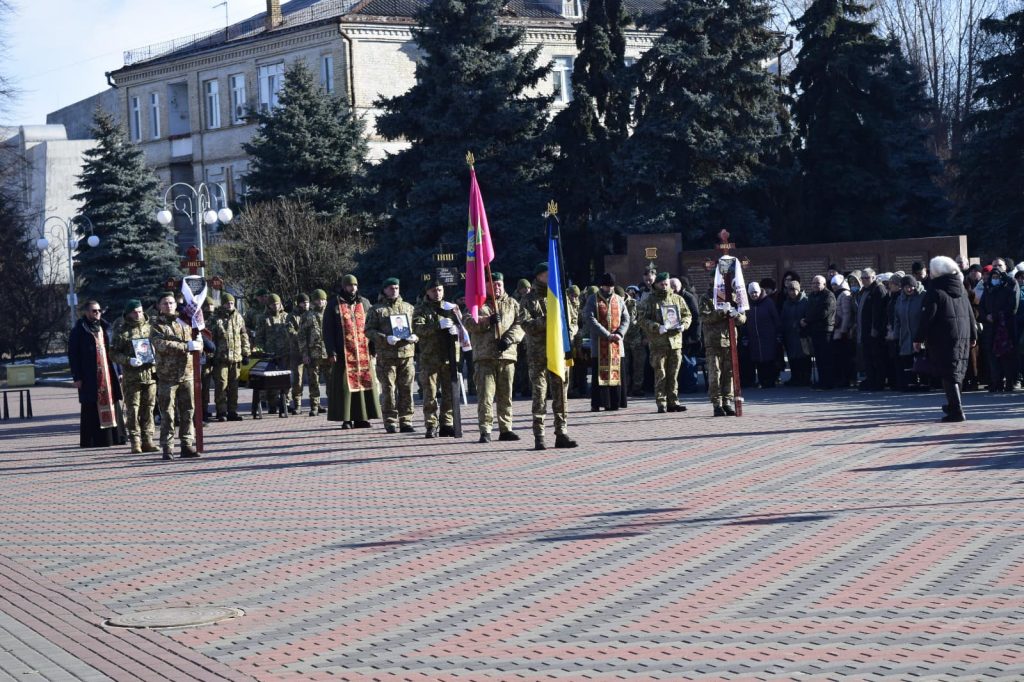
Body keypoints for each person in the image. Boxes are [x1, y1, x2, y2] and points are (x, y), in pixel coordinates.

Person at [521, 262, 578, 450]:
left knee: (561, 393)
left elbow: (573, 321)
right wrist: (548, 321)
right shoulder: (528, 299)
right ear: (538, 276)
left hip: (559, 353)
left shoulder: (560, 296)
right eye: (547, 275)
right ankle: (539, 435)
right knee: (539, 394)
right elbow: (526, 325)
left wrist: (569, 332)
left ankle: (561, 432)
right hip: (538, 355)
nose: (550, 278)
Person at [913, 256, 977, 422]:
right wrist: (973, 335)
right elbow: (970, 313)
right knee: (957, 371)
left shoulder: (935, 291)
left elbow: (927, 316)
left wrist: (918, 338)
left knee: (948, 374)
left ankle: (956, 410)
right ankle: (953, 405)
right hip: (962, 335)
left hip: (943, 337)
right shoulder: (961, 288)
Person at [464, 272, 525, 443]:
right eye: (493, 284)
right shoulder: (477, 304)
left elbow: (520, 324)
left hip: (506, 356)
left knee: (506, 395)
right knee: (486, 396)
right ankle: (485, 429)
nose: (497, 287)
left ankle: (506, 429)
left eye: (499, 284)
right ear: (486, 286)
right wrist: (487, 321)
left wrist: (508, 339)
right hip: (485, 357)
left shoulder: (512, 303)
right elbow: (468, 322)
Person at [323, 275, 381, 429]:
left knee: (364, 385)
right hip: (343, 354)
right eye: (349, 285)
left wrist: (373, 348)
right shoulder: (333, 304)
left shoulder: (365, 303)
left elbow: (372, 326)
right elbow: (327, 330)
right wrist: (331, 351)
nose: (352, 288)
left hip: (363, 353)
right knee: (345, 388)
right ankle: (346, 418)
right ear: (344, 287)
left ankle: (362, 417)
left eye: (355, 285)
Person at [150, 292, 201, 460]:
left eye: (171, 303)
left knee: (188, 411)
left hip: (186, 373)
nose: (169, 306)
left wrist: (199, 342)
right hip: (167, 376)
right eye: (165, 303)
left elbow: (195, 336)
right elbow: (161, 344)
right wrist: (185, 346)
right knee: (168, 413)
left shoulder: (185, 321)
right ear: (159, 306)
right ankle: (168, 447)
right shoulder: (156, 325)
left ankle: (187, 445)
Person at [69, 300, 123, 448]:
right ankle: (95, 440)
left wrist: (119, 371)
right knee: (91, 405)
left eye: (99, 310)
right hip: (89, 376)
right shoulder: (79, 330)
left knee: (113, 402)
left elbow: (114, 351)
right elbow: (73, 355)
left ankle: (115, 437)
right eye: (94, 311)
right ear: (86, 312)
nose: (97, 313)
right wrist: (77, 377)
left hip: (108, 373)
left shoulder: (106, 328)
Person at [367, 277, 419, 433]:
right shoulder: (376, 310)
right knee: (389, 390)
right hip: (386, 356)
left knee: (407, 389)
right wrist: (385, 338)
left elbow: (418, 326)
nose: (394, 290)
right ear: (384, 290)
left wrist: (415, 336)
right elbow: (368, 331)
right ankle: (390, 421)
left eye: (396, 287)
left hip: (406, 355)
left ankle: (406, 420)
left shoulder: (408, 308)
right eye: (390, 288)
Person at [412, 278, 462, 438]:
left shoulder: (451, 308)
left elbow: (464, 327)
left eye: (440, 290)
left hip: (449, 357)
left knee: (449, 393)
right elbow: (418, 329)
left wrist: (457, 329)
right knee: (430, 393)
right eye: (434, 290)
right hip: (430, 358)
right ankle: (431, 425)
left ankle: (446, 424)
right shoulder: (421, 309)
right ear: (427, 292)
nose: (437, 293)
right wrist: (436, 326)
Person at [637, 271, 691, 414]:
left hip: (675, 343)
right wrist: (657, 327)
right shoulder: (649, 300)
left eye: (667, 284)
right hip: (658, 343)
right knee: (661, 374)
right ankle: (661, 402)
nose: (665, 287)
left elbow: (687, 315)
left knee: (673, 374)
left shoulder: (677, 299)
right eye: (662, 284)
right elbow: (641, 319)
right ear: (656, 284)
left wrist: (683, 325)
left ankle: (673, 401)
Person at [110, 299, 157, 453]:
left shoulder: (151, 328)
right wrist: (128, 360)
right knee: (133, 410)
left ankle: (148, 440)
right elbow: (113, 353)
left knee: (148, 409)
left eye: (140, 311)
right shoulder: (122, 330)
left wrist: (157, 356)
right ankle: (135, 441)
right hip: (132, 377)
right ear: (128, 313)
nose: (138, 314)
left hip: (150, 376)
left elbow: (160, 345)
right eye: (134, 312)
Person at [583, 272, 630, 412]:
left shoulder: (619, 300)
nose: (608, 288)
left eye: (610, 286)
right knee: (599, 375)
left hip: (616, 343)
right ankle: (599, 403)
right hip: (599, 344)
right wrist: (607, 334)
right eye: (605, 285)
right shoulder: (593, 299)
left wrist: (619, 333)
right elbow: (590, 319)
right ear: (601, 286)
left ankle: (615, 403)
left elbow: (626, 318)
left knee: (617, 373)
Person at [699, 287, 746, 415]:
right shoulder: (706, 297)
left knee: (729, 373)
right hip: (713, 342)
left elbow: (743, 319)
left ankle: (727, 402)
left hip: (730, 341)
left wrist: (736, 315)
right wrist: (720, 312)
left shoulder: (734, 297)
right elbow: (704, 317)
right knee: (715, 373)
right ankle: (717, 404)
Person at [980, 263, 1020, 391]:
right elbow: (981, 307)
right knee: (992, 357)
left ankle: (1009, 382)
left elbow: (1012, 307)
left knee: (1006, 356)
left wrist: (997, 316)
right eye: (993, 276)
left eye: (998, 276)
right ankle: (996, 382)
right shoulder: (987, 289)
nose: (995, 278)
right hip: (990, 327)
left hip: (1004, 328)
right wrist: (986, 316)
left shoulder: (1008, 288)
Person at [211, 293, 249, 421]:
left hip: (236, 357)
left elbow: (244, 336)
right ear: (222, 304)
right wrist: (211, 355)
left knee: (234, 386)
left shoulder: (239, 317)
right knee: (221, 385)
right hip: (221, 358)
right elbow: (211, 339)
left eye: (232, 303)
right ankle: (221, 411)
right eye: (227, 303)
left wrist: (246, 353)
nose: (230, 305)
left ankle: (232, 411)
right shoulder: (216, 319)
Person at [255, 293, 291, 415]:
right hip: (270, 353)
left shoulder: (286, 317)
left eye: (277, 303)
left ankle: (285, 403)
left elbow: (293, 334)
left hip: (285, 352)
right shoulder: (263, 319)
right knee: (271, 381)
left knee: (285, 380)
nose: (275, 306)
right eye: (272, 304)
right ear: (269, 305)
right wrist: (260, 351)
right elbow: (259, 337)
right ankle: (272, 404)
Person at [857, 268, 889, 390]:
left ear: (874, 277)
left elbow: (878, 311)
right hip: (864, 330)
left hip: (874, 331)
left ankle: (878, 382)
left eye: (867, 277)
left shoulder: (878, 289)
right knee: (868, 357)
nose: (864, 280)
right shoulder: (865, 290)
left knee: (876, 357)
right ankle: (871, 380)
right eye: (863, 278)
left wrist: (875, 328)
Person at [299, 289, 329, 416]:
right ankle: (315, 406)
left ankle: (332, 404)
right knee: (313, 381)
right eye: (317, 299)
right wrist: (305, 354)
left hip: (328, 354)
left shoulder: (331, 314)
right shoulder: (307, 316)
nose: (320, 302)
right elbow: (301, 336)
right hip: (313, 354)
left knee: (331, 381)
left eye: (322, 299)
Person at [745, 282, 781, 388]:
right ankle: (762, 380)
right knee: (758, 361)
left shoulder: (768, 302)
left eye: (755, 292)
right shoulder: (748, 304)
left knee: (769, 360)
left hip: (768, 336)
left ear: (759, 291)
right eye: (752, 293)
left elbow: (775, 318)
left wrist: (778, 333)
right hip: (754, 337)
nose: (754, 295)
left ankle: (771, 381)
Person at [803, 275, 837, 389]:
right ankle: (821, 380)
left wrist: (808, 319)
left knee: (826, 358)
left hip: (825, 330)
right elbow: (808, 310)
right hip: (814, 330)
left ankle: (828, 382)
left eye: (818, 283)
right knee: (819, 358)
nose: (815, 285)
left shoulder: (829, 296)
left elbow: (823, 313)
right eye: (813, 283)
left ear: (824, 284)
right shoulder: (811, 296)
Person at [892, 275, 925, 390]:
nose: (909, 289)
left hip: (920, 335)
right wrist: (896, 336)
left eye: (911, 286)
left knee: (921, 359)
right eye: (906, 287)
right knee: (907, 360)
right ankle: (911, 383)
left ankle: (924, 382)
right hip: (905, 335)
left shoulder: (923, 296)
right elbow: (897, 319)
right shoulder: (900, 299)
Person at [781, 280, 811, 386]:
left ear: (799, 290)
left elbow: (809, 316)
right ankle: (795, 377)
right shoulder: (786, 303)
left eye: (794, 290)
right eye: (790, 290)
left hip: (802, 334)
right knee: (792, 357)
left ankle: (806, 378)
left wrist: (803, 323)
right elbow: (783, 319)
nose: (792, 292)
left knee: (804, 357)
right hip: (790, 334)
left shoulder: (806, 301)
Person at [287, 293, 311, 414]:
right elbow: (290, 331)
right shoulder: (291, 316)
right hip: (297, 352)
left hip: (312, 351)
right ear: (298, 303)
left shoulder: (311, 314)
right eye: (303, 302)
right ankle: (297, 404)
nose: (306, 305)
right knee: (297, 379)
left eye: (307, 302)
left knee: (313, 378)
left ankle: (314, 404)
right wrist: (303, 338)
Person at [831, 275, 855, 387]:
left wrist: (843, 330)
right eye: (832, 285)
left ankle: (845, 379)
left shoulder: (845, 294)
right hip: (837, 330)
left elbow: (847, 314)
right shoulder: (837, 294)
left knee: (844, 357)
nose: (834, 286)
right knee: (838, 357)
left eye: (835, 284)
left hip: (842, 331)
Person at [624, 285, 647, 396]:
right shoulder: (619, 304)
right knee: (625, 365)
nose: (631, 294)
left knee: (638, 365)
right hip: (624, 339)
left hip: (637, 339)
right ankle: (626, 387)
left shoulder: (637, 304)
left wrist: (644, 337)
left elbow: (642, 321)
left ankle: (637, 387)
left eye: (633, 292)